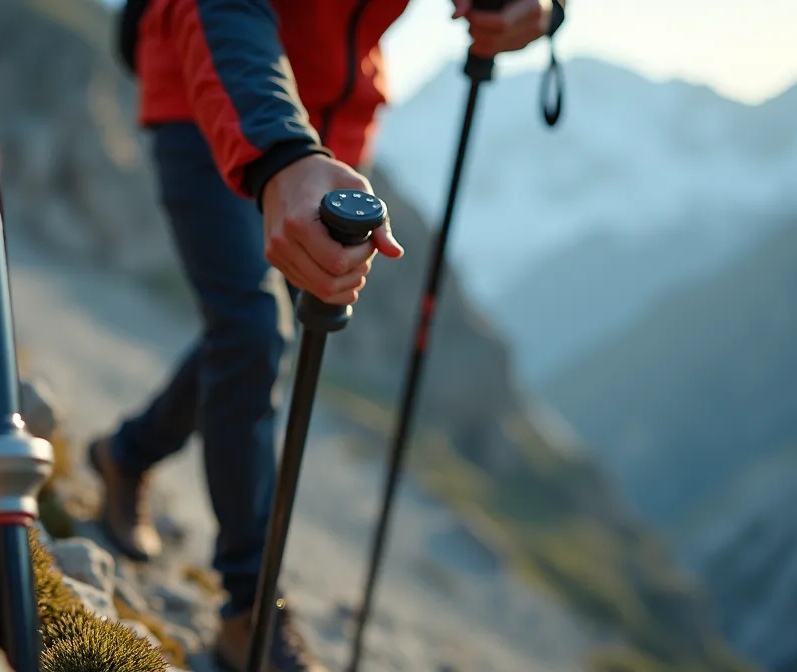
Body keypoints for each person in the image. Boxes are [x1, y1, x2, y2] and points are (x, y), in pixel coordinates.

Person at [91, 1, 565, 669]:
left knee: (252, 337)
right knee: (253, 330)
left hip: (334, 123)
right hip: (213, 76)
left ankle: (127, 453)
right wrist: (282, 155)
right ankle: (250, 607)